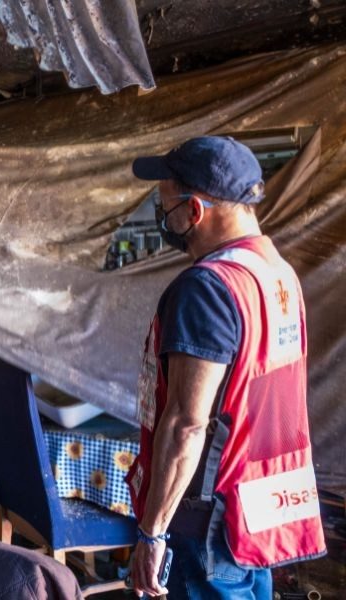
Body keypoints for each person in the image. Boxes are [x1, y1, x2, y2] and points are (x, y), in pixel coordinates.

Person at [125, 136, 326, 599]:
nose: (165, 217)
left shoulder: (208, 288)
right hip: (260, 510)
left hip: (209, 521)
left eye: (167, 205)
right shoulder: (275, 274)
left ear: (194, 211)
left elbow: (187, 425)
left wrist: (153, 533)